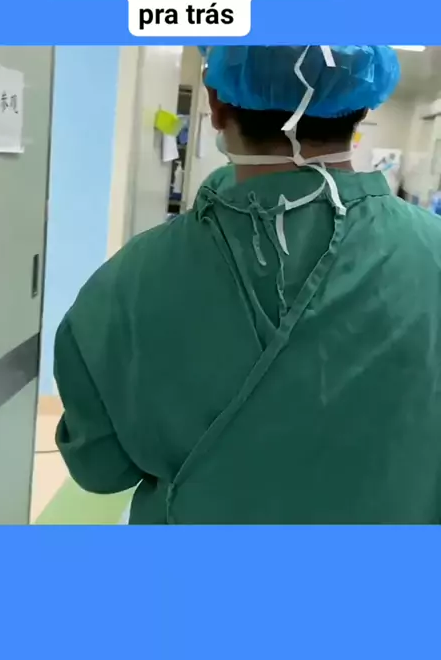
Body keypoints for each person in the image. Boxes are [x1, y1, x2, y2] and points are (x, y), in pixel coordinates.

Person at [54, 46, 441, 524]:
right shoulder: (431, 256)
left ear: (216, 102)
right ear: (362, 105)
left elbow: (98, 466)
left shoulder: (126, 284)